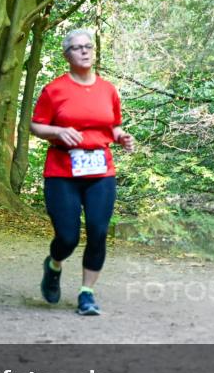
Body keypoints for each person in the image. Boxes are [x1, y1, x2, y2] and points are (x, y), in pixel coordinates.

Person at [30, 28, 135, 316]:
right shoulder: (55, 90)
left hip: (100, 171)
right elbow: (35, 126)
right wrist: (59, 131)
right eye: (77, 48)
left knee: (99, 232)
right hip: (63, 171)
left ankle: (87, 293)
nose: (85, 51)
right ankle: (53, 265)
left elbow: (113, 126)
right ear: (67, 55)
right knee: (67, 237)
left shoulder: (107, 90)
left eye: (88, 46)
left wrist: (121, 136)